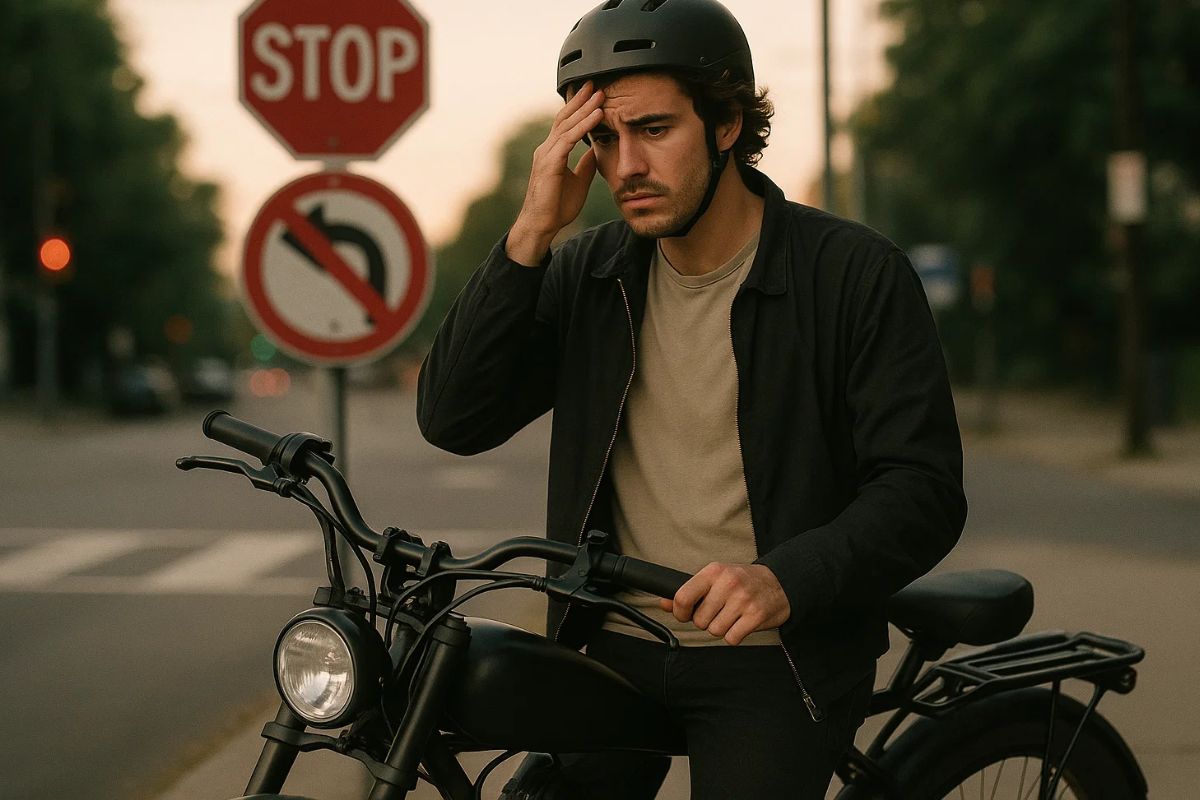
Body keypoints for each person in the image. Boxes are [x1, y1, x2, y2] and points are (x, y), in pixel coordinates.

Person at [417, 0, 967, 796]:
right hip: (613, 639)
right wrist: (530, 235)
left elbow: (923, 491)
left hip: (773, 652)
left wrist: (783, 578)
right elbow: (454, 418)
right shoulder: (589, 276)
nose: (626, 165)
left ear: (727, 123)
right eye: (604, 139)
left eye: (654, 129)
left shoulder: (852, 275)